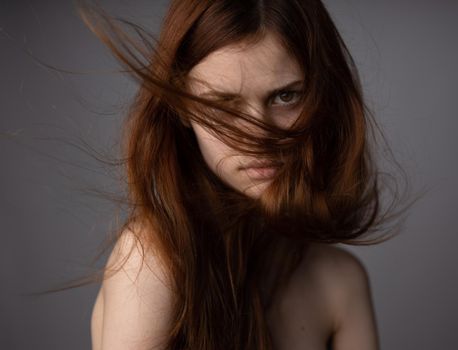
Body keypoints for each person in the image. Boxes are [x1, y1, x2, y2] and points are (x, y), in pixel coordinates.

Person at [80, 0, 405, 349]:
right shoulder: (151, 260)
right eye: (222, 105)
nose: (258, 137)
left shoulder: (340, 281)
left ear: (322, 98)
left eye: (285, 96)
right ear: (182, 108)